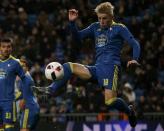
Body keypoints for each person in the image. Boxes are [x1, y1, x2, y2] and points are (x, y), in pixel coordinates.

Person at [41, 2, 140, 128]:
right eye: (99, 18)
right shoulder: (95, 27)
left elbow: (134, 43)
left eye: (104, 18)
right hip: (97, 68)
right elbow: (78, 38)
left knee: (109, 101)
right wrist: (72, 23)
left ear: (111, 16)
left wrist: (134, 58)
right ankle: (50, 89)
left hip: (111, 68)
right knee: (68, 66)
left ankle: (129, 111)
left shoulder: (120, 28)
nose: (101, 21)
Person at [0, 37, 30, 131]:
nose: (6, 49)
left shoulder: (15, 63)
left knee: (8, 128)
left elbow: (25, 80)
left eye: (8, 47)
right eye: (3, 47)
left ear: (11, 48)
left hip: (8, 102)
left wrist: (24, 98)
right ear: (0, 48)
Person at [15, 56, 40, 131]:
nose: (21, 68)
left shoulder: (25, 79)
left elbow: (23, 99)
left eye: (23, 66)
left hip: (28, 109)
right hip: (35, 108)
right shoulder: (26, 78)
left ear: (27, 68)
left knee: (24, 129)